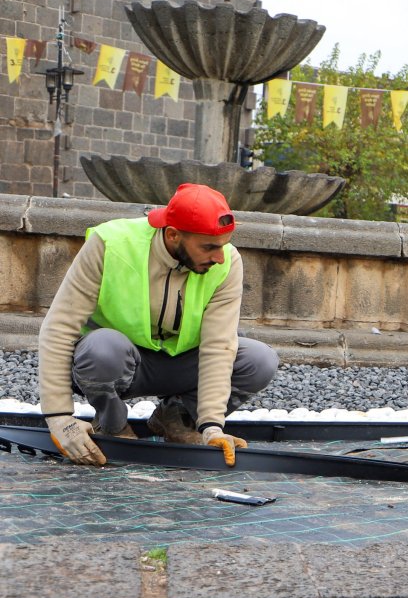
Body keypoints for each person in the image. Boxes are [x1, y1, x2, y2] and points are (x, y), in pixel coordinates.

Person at [38, 184, 278, 467]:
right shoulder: (111, 244)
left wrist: (211, 426)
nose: (220, 257)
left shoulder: (226, 264)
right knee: (101, 349)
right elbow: (59, 328)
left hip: (181, 366)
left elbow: (219, 346)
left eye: (223, 246)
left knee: (259, 360)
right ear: (173, 234)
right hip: (119, 364)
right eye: (209, 247)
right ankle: (112, 425)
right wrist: (60, 420)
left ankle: (176, 419)